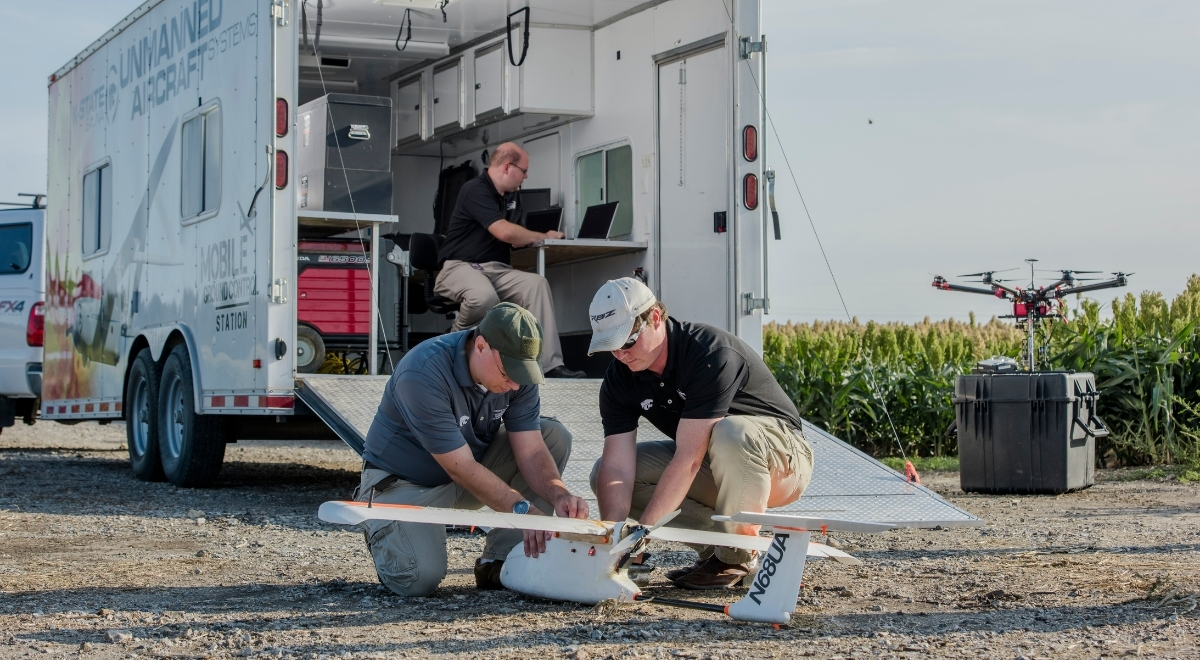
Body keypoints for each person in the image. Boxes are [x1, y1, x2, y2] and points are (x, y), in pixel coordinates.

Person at [587, 278, 815, 589]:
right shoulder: (619, 379)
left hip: (783, 461)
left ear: (655, 318)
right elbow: (616, 468)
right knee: (603, 472)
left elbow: (689, 460)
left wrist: (642, 534)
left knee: (731, 432)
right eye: (610, 347)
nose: (620, 355)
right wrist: (615, 542)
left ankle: (736, 556)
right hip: (716, 461)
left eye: (626, 342)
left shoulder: (709, 353)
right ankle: (717, 549)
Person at [357, 302, 590, 596]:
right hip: (406, 484)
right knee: (418, 579)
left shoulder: (517, 373)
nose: (515, 384)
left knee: (553, 435)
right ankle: (383, 528)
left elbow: (531, 449)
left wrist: (559, 494)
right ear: (480, 346)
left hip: (467, 474)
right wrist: (526, 512)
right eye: (508, 373)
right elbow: (462, 468)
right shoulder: (423, 371)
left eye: (522, 373)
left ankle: (501, 561)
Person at [435, 142, 585, 379]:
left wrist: (524, 237)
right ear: (507, 167)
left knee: (536, 284)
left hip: (497, 269)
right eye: (524, 170)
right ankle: (450, 343)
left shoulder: (512, 197)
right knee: (484, 297)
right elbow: (504, 232)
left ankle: (548, 365)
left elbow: (514, 235)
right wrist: (543, 236)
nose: (526, 176)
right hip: (460, 266)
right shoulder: (475, 189)